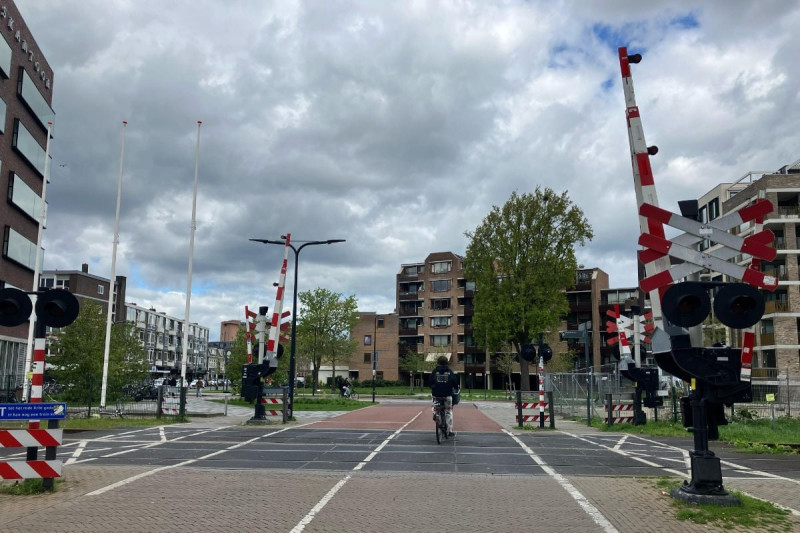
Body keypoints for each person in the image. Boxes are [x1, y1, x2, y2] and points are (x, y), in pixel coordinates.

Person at [428, 355, 460, 437]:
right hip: (447, 395)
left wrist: (433, 387)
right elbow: (455, 382)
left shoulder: (435, 371)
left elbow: (430, 382)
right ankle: (449, 430)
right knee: (448, 411)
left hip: (436, 395)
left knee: (436, 406)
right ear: (447, 363)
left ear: (438, 363)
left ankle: (435, 413)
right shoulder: (450, 372)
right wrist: (456, 387)